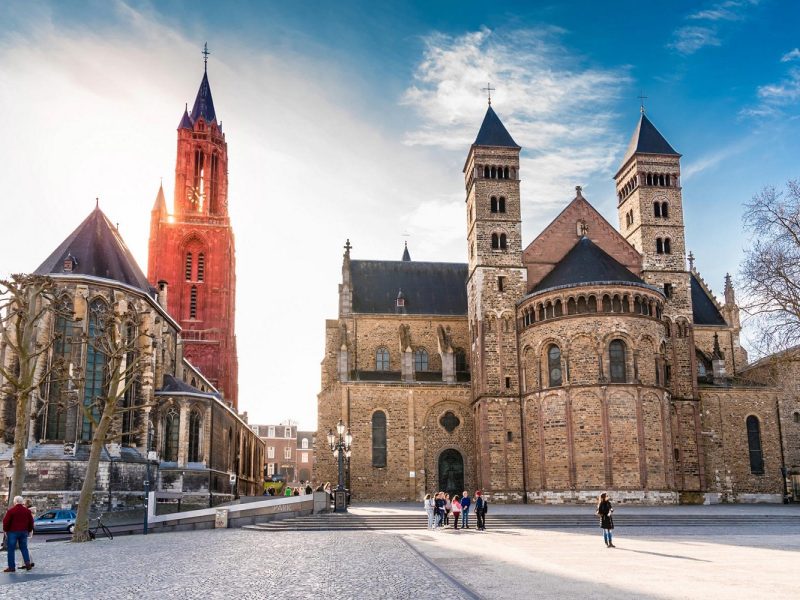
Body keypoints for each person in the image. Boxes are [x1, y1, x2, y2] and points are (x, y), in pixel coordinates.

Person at [2, 496, 34, 573]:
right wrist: (29, 530)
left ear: (15, 502)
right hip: (24, 532)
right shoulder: (27, 511)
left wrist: (5, 530)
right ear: (22, 502)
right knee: (24, 548)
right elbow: (31, 522)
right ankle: (27, 564)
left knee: (11, 549)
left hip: (13, 532)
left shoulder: (11, 511)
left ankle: (11, 567)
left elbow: (5, 522)